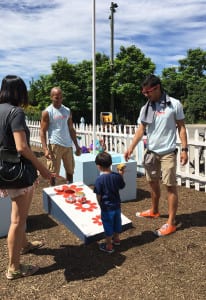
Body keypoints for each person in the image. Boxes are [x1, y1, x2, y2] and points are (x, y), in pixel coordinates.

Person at [0, 75, 52, 280]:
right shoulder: (16, 112)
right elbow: (22, 147)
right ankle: (13, 267)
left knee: (19, 215)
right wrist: (43, 169)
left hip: (2, 170)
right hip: (18, 172)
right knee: (18, 220)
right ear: (19, 92)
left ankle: (25, 244)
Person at [124, 74, 188, 237]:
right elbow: (141, 130)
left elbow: (181, 127)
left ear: (157, 88)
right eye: (144, 93)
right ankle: (154, 210)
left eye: (148, 92)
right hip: (151, 152)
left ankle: (171, 223)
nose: (146, 95)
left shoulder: (174, 104)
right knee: (152, 183)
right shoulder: (147, 107)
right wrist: (131, 146)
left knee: (170, 186)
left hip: (167, 153)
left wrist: (185, 149)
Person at [40, 87, 81, 184]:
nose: (59, 100)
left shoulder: (67, 110)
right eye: (56, 98)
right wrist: (45, 149)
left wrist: (77, 146)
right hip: (54, 145)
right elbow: (42, 131)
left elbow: (71, 129)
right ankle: (52, 193)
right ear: (51, 97)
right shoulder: (47, 112)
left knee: (70, 171)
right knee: (53, 173)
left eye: (61, 97)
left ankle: (70, 188)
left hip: (68, 145)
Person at [94, 152, 126, 253]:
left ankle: (108, 245)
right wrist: (121, 175)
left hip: (107, 207)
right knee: (117, 222)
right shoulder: (116, 176)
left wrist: (99, 203)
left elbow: (98, 194)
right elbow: (121, 186)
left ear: (98, 166)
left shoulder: (99, 179)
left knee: (108, 225)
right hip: (117, 205)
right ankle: (116, 239)